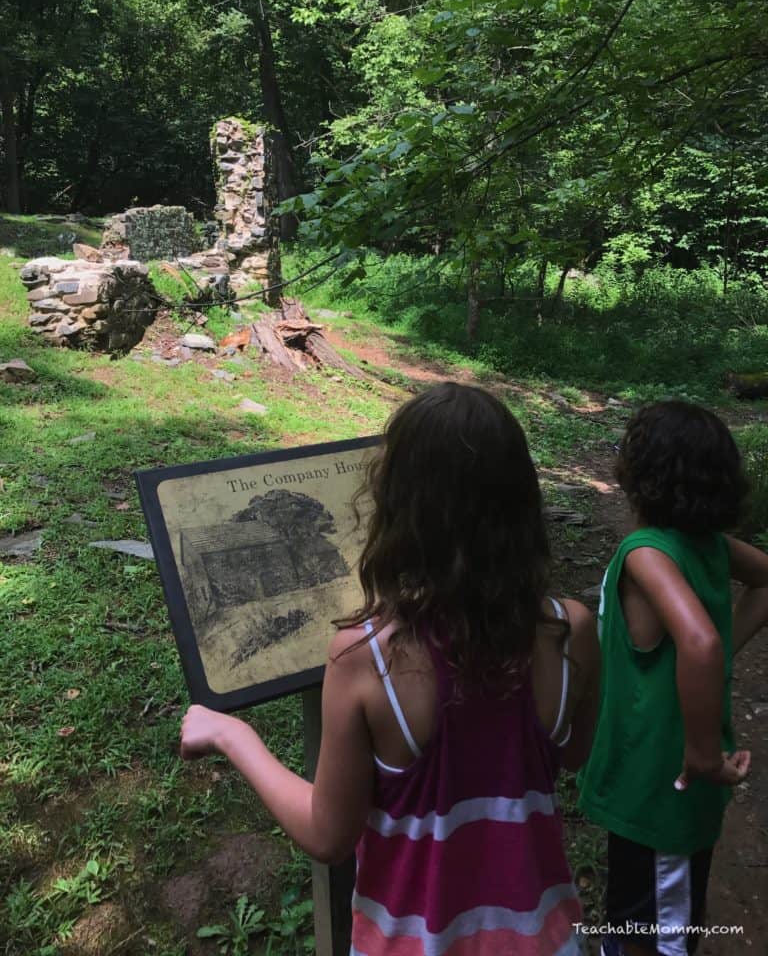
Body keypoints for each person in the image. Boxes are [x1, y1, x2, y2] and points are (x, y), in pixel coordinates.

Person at [180, 381, 601, 955]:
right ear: (521, 500)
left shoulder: (366, 657)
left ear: (399, 506)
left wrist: (233, 734)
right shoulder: (572, 628)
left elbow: (328, 836)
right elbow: (574, 753)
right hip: (547, 936)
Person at [578, 400, 768, 956]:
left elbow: (700, 643)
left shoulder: (646, 553)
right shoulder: (708, 547)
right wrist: (723, 649)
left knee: (656, 935)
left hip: (664, 784)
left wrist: (704, 753)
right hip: (645, 783)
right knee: (645, 915)